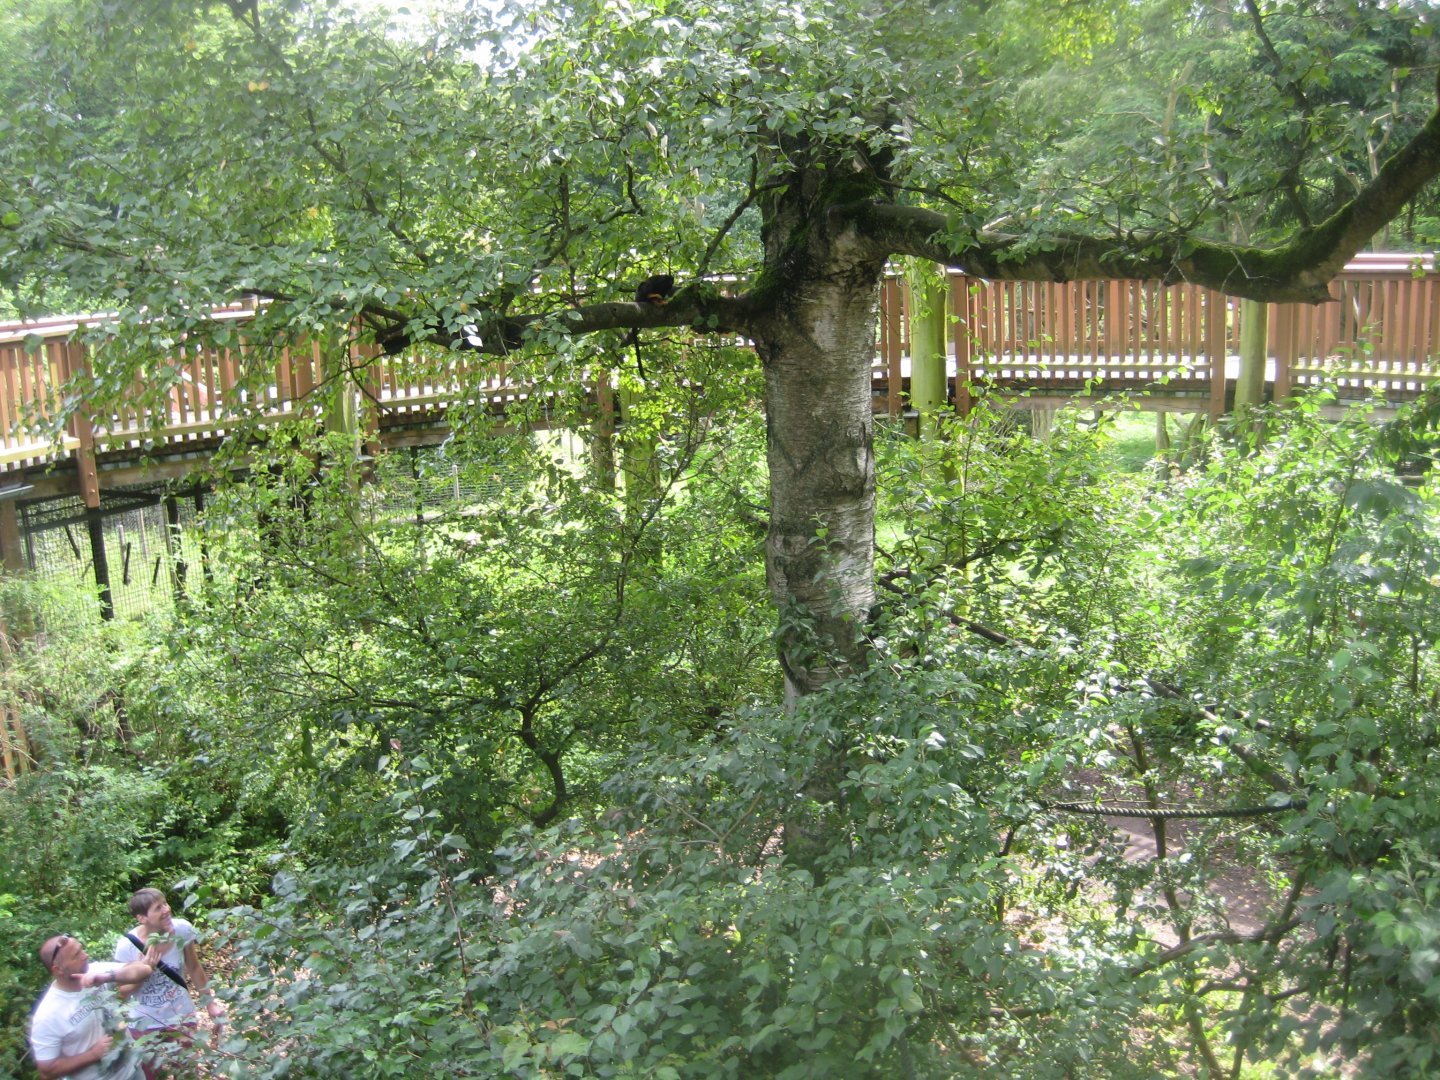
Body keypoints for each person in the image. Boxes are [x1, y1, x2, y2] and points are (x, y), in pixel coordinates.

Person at [112, 888, 225, 1079]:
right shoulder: (127, 946)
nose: (166, 909)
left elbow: (194, 968)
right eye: (158, 908)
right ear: (142, 918)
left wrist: (210, 1004)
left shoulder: (182, 929)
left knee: (186, 1071)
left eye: (165, 903)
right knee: (151, 1075)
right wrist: (144, 970)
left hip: (181, 1015)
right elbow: (120, 993)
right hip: (144, 1022)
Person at [29, 933, 153, 1080]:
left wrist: (106, 977)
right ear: (58, 970)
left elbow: (143, 970)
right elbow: (47, 1070)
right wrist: (92, 1055)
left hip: (132, 1071)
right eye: (76, 955)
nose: (85, 955)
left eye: (81, 949)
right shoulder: (48, 1014)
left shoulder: (95, 972)